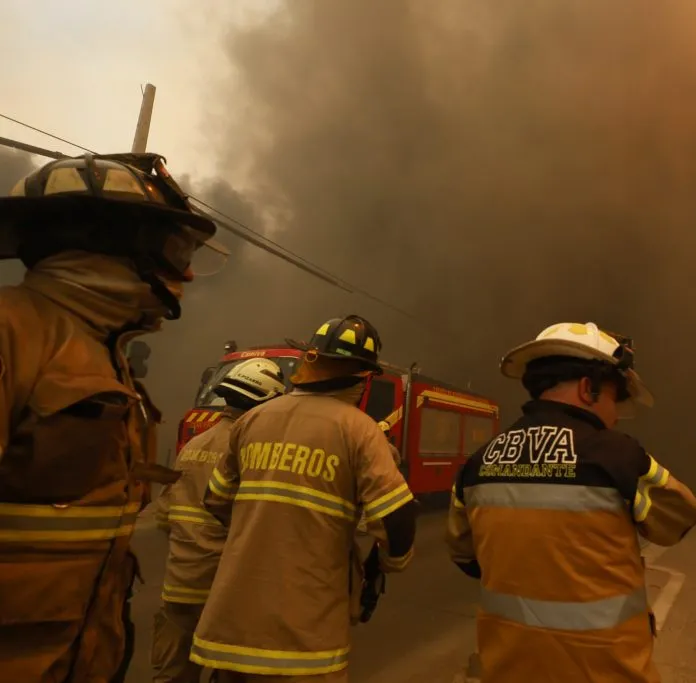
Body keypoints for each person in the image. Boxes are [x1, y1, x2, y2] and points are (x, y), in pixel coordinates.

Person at [0, 153, 225, 682]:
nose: (187, 272)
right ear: (109, 243)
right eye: (174, 250)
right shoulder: (13, 332)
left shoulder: (105, 351)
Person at [446, 321, 696, 683]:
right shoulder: (616, 455)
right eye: (614, 399)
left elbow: (464, 553)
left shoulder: (480, 461)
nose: (615, 415)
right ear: (588, 388)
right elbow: (681, 516)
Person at [191, 315, 418, 682]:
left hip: (232, 629)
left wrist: (259, 535)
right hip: (307, 640)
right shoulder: (359, 430)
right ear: (363, 377)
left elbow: (214, 500)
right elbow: (396, 518)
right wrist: (392, 563)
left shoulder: (252, 420)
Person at [150, 358, 286, 683]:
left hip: (179, 586)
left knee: (173, 675)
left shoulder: (194, 446)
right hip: (224, 593)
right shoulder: (253, 453)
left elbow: (164, 517)